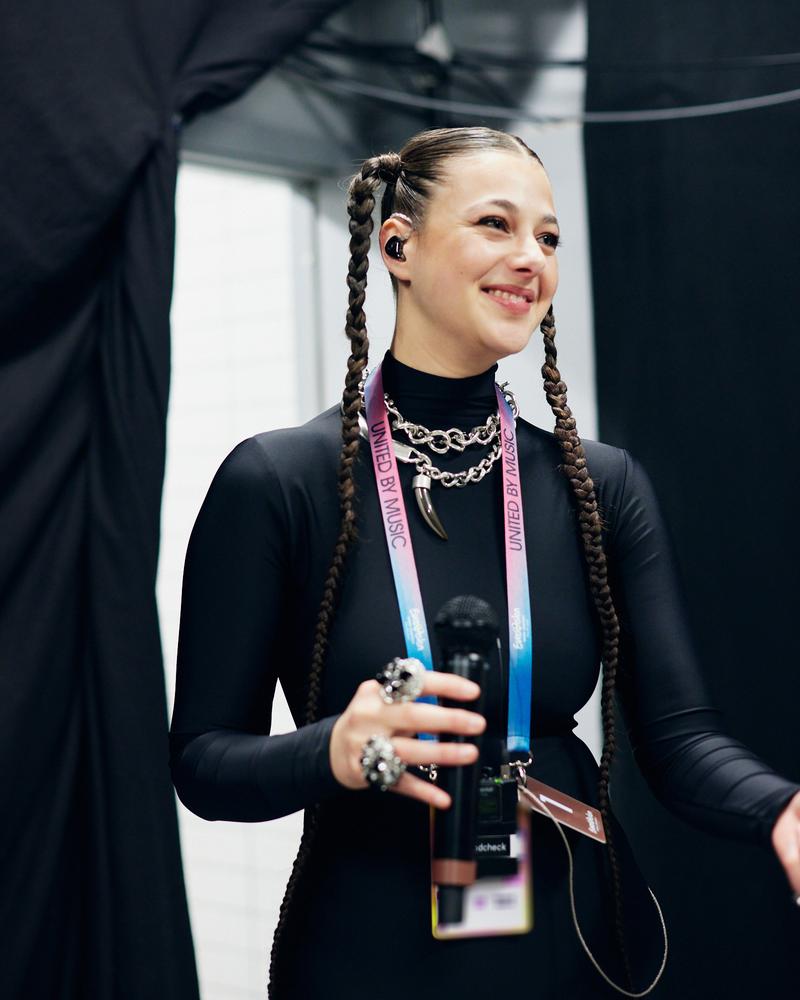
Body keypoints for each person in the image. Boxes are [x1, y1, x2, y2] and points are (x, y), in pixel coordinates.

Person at [169, 126, 800, 998]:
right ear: (398, 247)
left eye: (546, 236)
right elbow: (203, 763)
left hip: (570, 946)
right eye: (495, 225)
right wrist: (335, 749)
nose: (529, 258)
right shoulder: (279, 481)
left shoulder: (599, 486)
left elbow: (681, 739)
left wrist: (782, 808)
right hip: (367, 954)